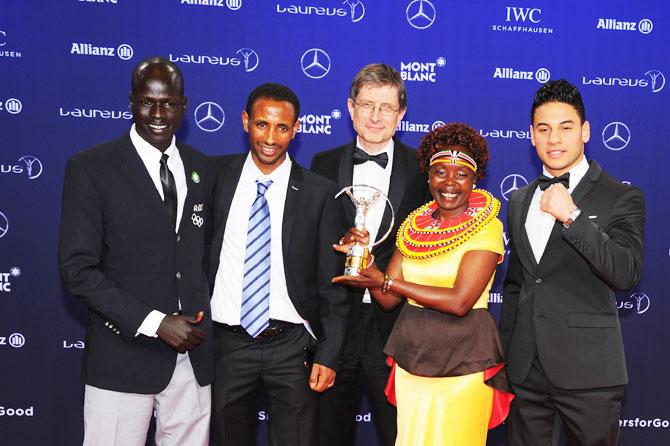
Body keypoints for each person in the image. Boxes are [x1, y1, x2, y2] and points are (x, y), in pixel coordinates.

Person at [58, 56, 215, 446]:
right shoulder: (91, 168)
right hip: (122, 355)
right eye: (148, 101)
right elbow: (78, 269)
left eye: (168, 103)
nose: (158, 113)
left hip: (192, 359)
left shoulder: (202, 168)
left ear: (184, 105)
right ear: (131, 102)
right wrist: (156, 322)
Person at [334, 123, 514, 446]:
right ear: (427, 177)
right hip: (412, 358)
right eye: (440, 172)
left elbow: (460, 301)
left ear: (476, 179)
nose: (449, 183)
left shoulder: (487, 228)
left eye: (461, 174)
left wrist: (387, 281)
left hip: (465, 360)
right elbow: (387, 300)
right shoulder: (413, 226)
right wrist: (365, 261)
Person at [500, 79, 645, 445]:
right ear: (531, 136)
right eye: (543, 129)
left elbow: (625, 272)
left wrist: (573, 217)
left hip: (589, 372)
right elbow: (517, 285)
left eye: (566, 128)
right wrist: (505, 362)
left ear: (585, 131)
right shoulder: (518, 200)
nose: (554, 139)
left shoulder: (621, 196)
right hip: (526, 369)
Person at [207, 82, 349, 446]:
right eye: (261, 125)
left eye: (282, 127)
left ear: (296, 129)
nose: (270, 137)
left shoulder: (320, 193)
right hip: (228, 344)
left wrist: (329, 354)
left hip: (292, 347)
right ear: (245, 122)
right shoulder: (213, 177)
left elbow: (331, 284)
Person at [310, 63, 427, 446]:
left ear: (402, 114)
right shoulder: (322, 165)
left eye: (387, 107)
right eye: (367, 105)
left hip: (394, 324)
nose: (376, 116)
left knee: (399, 433)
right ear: (350, 108)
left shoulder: (423, 170)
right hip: (334, 323)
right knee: (329, 431)